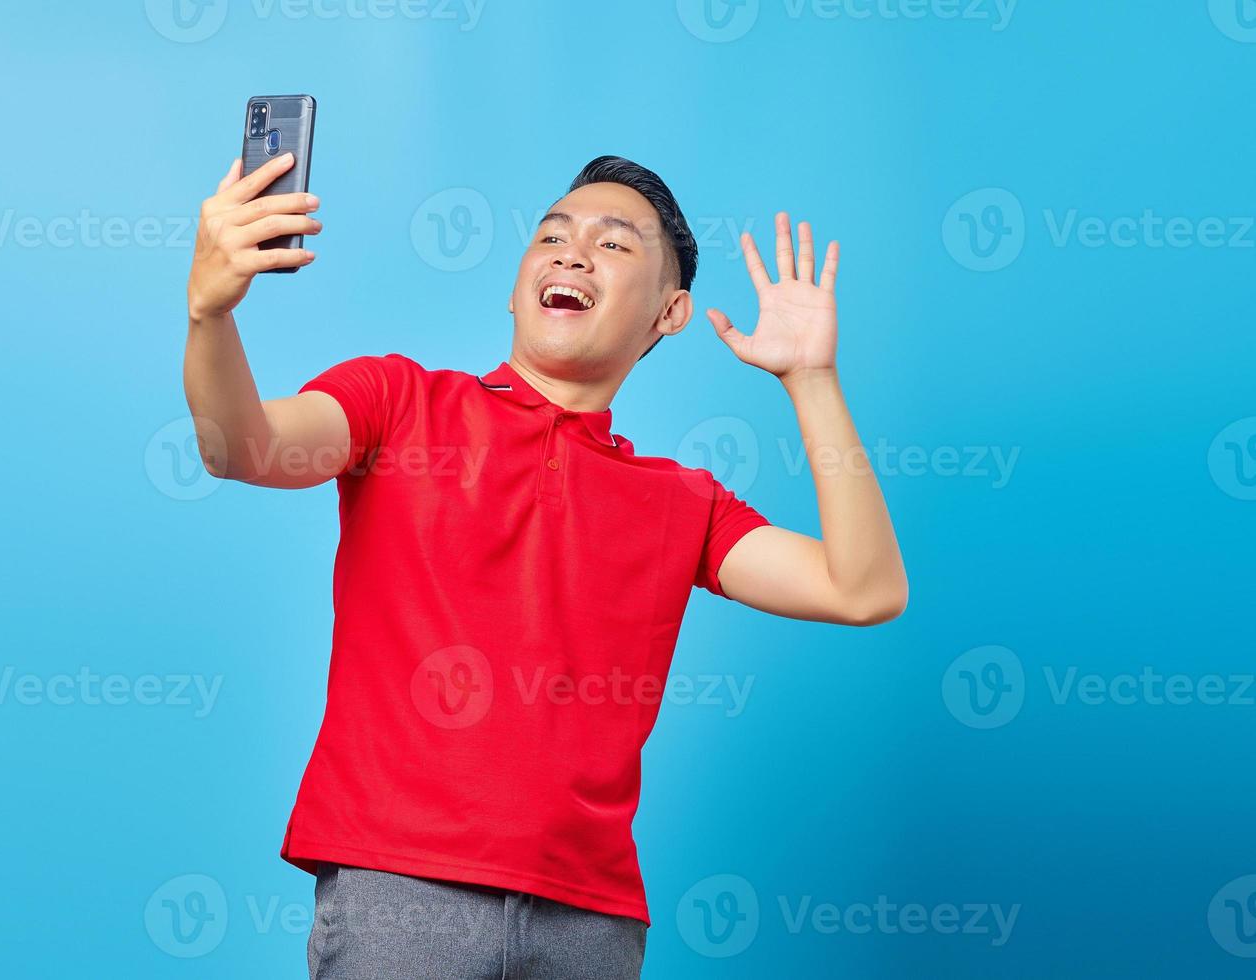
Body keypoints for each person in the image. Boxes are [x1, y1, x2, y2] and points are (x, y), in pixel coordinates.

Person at [183, 152, 908, 980]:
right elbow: (242, 447)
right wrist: (210, 314)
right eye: (552, 236)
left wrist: (812, 380)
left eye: (614, 244)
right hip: (403, 894)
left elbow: (865, 589)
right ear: (517, 283)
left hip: (591, 923)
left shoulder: (684, 502)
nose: (571, 254)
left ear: (670, 314)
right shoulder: (400, 402)